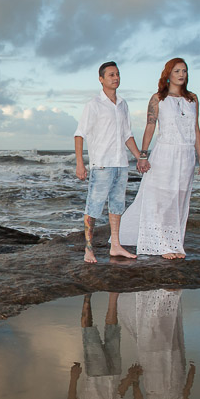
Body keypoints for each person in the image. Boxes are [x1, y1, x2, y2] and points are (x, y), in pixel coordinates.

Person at [118, 57, 200, 259]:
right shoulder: (158, 98)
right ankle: (161, 245)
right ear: (168, 74)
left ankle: (175, 244)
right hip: (165, 153)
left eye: (184, 71)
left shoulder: (192, 98)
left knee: (180, 199)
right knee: (161, 199)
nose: (181, 74)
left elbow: (196, 128)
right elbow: (150, 126)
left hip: (186, 155)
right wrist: (142, 155)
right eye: (176, 71)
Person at [74, 61, 149, 263]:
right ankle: (88, 249)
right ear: (101, 79)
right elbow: (79, 135)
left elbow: (127, 135)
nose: (115, 78)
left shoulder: (123, 104)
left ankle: (115, 246)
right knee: (94, 206)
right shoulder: (93, 105)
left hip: (121, 164)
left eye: (117, 74)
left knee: (117, 206)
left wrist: (140, 156)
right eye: (111, 75)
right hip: (102, 164)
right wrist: (80, 163)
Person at [67, 293, 136, 399]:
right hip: (114, 374)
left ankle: (87, 297)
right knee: (113, 333)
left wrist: (74, 378)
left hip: (96, 376)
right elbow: (118, 397)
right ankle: (113, 295)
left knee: (89, 334)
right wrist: (130, 377)